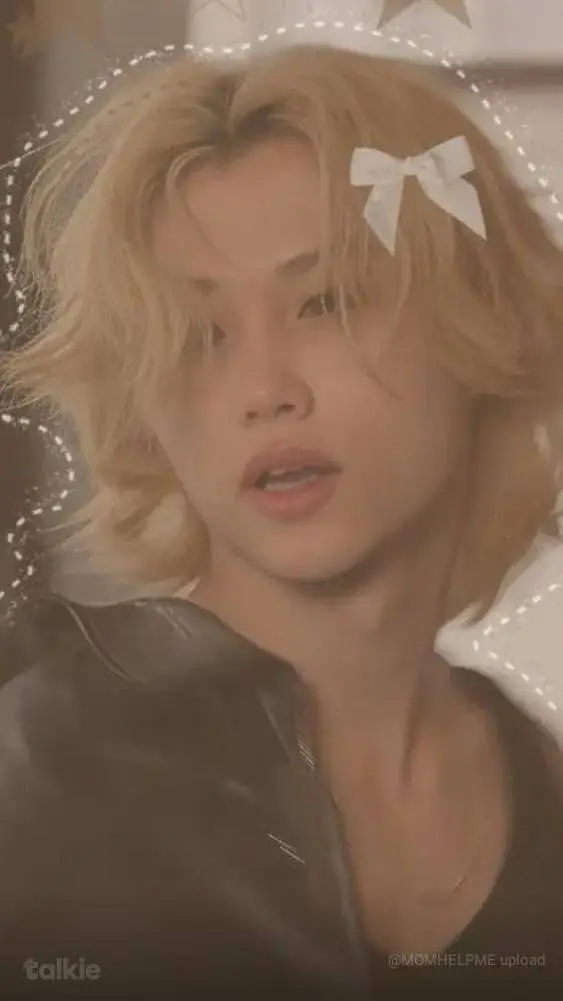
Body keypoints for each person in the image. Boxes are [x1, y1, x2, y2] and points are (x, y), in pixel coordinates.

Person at [1, 42, 563, 999]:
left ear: (478, 321)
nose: (263, 390)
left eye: (325, 301)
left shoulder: (536, 778)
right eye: (199, 334)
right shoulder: (42, 757)